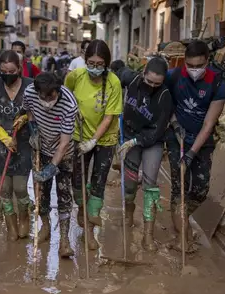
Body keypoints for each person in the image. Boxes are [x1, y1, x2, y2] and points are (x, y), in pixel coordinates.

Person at [165, 40, 225, 252]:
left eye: (198, 66)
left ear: (207, 62)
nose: (193, 70)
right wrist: (173, 123)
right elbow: (166, 103)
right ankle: (182, 237)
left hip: (202, 141)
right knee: (179, 188)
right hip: (176, 138)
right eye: (189, 65)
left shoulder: (217, 83)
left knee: (200, 191)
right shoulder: (173, 76)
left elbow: (209, 124)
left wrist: (191, 153)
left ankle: (182, 221)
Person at [64, 39, 122, 250]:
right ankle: (82, 207)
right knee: (77, 180)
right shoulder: (75, 76)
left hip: (104, 139)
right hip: (78, 136)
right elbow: (64, 97)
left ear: (106, 63)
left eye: (99, 64)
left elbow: (109, 117)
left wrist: (93, 141)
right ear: (84, 59)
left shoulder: (114, 82)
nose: (94, 67)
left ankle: (90, 230)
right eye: (91, 62)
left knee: (98, 182)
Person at [117, 57, 172, 251]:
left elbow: (158, 131)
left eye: (157, 83)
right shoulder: (130, 79)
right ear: (142, 73)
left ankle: (148, 235)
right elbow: (116, 69)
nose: (152, 86)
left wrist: (136, 141)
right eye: (149, 82)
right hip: (129, 133)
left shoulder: (164, 96)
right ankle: (128, 213)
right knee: (130, 184)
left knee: (150, 186)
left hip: (151, 142)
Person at [23, 72, 78, 258]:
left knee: (64, 195)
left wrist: (51, 167)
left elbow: (64, 143)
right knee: (41, 192)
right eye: (43, 96)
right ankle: (45, 226)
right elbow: (29, 110)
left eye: (51, 96)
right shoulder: (30, 92)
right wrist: (34, 129)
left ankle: (64, 240)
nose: (47, 101)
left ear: (58, 90)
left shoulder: (69, 103)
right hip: (41, 148)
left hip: (64, 152)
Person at [0, 51, 34, 241]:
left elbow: (36, 111)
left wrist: (25, 118)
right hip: (0, 143)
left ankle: (24, 218)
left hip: (24, 143)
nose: (7, 74)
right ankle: (10, 223)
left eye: (11, 70)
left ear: (19, 69)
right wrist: (4, 138)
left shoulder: (30, 86)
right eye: (3, 71)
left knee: (20, 187)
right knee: (4, 188)